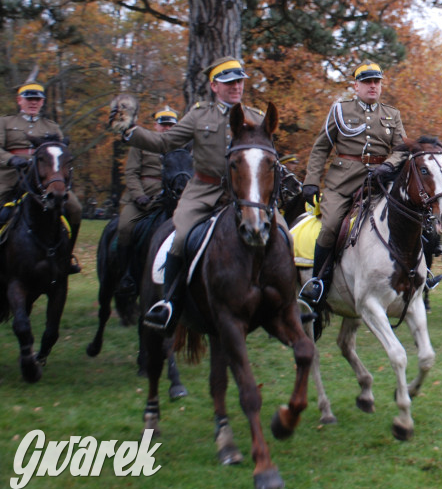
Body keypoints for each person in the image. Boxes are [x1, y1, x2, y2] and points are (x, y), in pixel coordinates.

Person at [119, 57, 265, 332]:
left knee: (280, 233)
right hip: (204, 192)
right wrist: (130, 132)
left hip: (244, 195)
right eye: (229, 82)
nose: (236, 86)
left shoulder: (256, 117)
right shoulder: (199, 116)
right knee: (181, 237)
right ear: (214, 86)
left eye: (239, 81)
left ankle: (281, 302)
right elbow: (164, 142)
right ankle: (170, 303)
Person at [299, 61, 441, 308]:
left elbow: (401, 149)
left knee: (411, 219)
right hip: (342, 186)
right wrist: (311, 181)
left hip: (379, 185)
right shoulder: (340, 111)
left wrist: (388, 165)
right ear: (356, 86)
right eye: (367, 82)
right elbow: (321, 148)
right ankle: (318, 282)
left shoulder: (392, 114)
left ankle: (420, 274)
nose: (372, 86)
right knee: (331, 226)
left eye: (376, 82)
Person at [0, 76, 83, 273]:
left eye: (37, 100)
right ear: (20, 100)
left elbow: (62, 156)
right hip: (12, 178)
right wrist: (12, 159)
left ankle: (67, 256)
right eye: (29, 99)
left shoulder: (52, 127)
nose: (33, 103)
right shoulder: (5, 122)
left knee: (76, 209)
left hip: (45, 181)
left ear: (43, 102)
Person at [114, 107, 178, 291]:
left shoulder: (181, 147)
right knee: (125, 227)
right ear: (156, 125)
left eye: (171, 125)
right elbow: (131, 173)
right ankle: (125, 273)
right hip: (143, 200)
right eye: (163, 125)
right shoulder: (141, 144)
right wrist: (139, 195)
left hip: (171, 199)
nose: (167, 128)